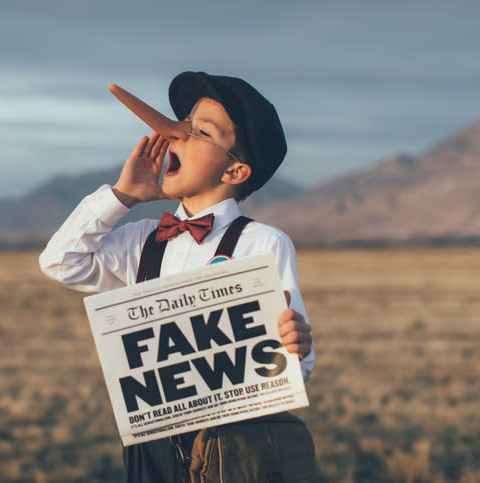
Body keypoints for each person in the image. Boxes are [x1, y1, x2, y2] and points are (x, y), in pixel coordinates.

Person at [40, 71, 318, 482]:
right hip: (149, 450)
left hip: (231, 450)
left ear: (235, 172)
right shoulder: (142, 241)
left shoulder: (263, 244)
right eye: (183, 126)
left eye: (200, 132)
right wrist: (122, 197)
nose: (176, 136)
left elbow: (297, 366)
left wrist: (297, 345)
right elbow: (61, 261)